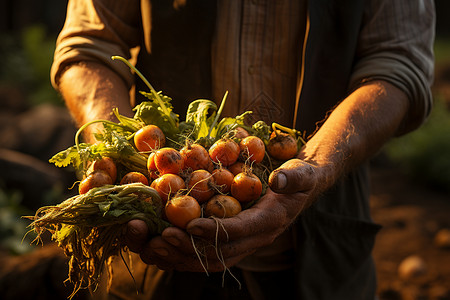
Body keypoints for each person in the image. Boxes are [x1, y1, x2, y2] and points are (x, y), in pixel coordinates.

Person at [51, 0, 435, 299]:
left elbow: (396, 64)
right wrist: (115, 150)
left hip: (319, 256)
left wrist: (316, 166)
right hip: (153, 262)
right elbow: (90, 43)